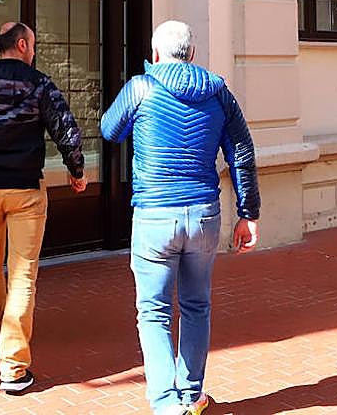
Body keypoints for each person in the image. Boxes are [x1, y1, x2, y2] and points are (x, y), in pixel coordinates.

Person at [100, 20, 260, 415]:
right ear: (192, 54)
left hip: (155, 214)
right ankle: (191, 395)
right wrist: (248, 213)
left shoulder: (141, 87)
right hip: (204, 215)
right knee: (196, 306)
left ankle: (165, 404)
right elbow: (242, 150)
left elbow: (109, 130)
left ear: (156, 55)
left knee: (152, 311)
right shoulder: (218, 91)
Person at [0, 20, 87, 395]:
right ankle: (13, 367)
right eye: (33, 45)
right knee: (23, 274)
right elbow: (66, 129)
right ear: (22, 45)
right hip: (24, 189)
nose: (35, 51)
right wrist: (77, 171)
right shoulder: (39, 84)